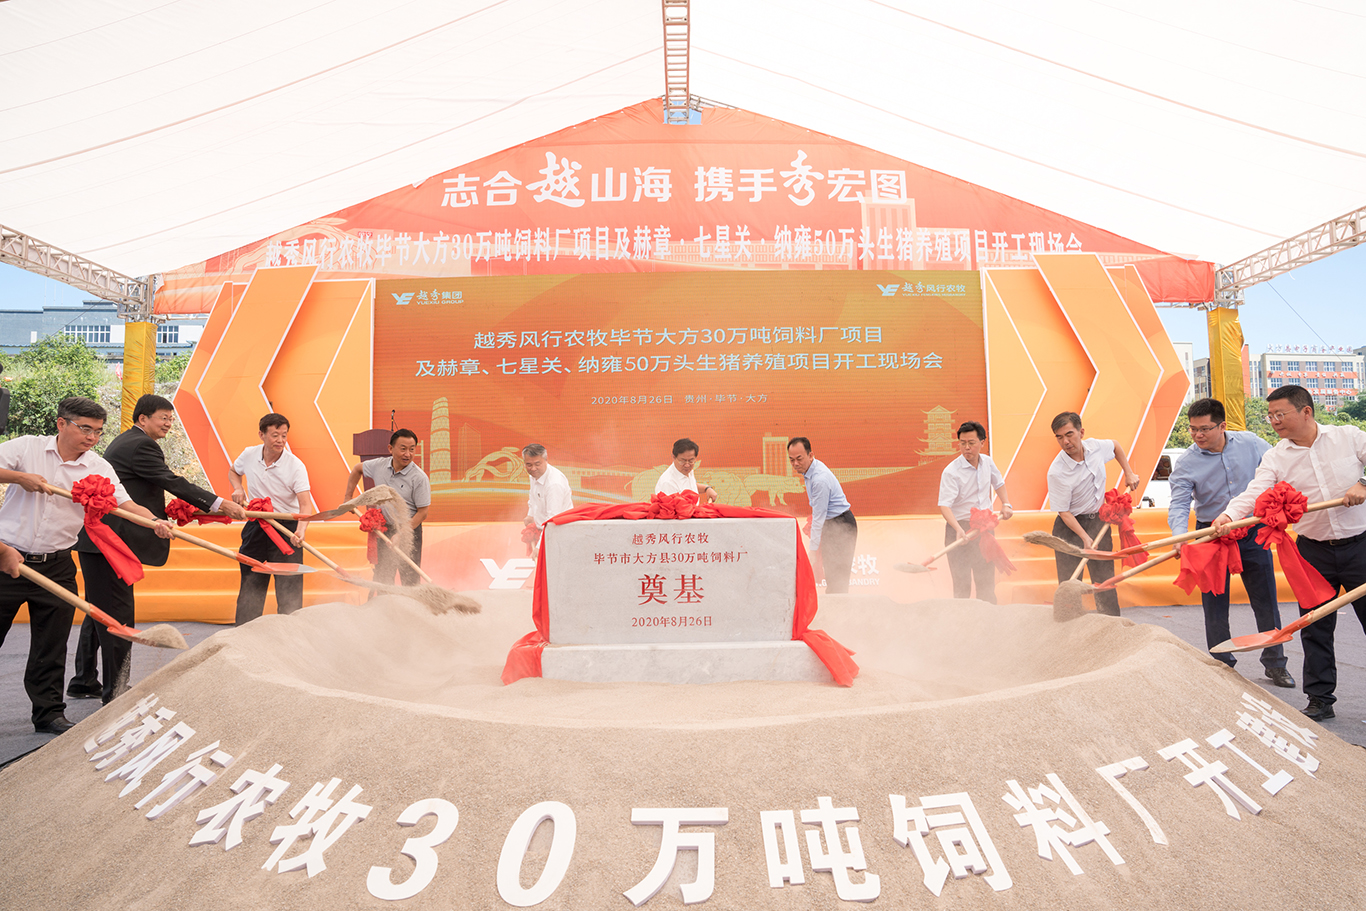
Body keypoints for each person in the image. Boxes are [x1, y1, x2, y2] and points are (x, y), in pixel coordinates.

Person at [0, 397, 172, 734]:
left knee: (51, 645)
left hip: (57, 564)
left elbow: (125, 504)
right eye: (85, 429)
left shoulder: (98, 466)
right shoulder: (27, 447)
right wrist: (19, 478)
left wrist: (154, 522)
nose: (92, 438)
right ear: (62, 424)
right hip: (7, 559)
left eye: (98, 432)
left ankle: (49, 713)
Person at [69, 395, 247, 704]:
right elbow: (171, 481)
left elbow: (144, 489)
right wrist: (219, 504)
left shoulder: (128, 441)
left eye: (170, 419)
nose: (168, 424)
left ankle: (84, 680)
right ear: (143, 418)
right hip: (112, 541)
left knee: (100, 610)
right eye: (163, 417)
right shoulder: (141, 445)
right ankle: (117, 690)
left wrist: (181, 510)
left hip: (103, 541)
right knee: (118, 613)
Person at [1212, 385, 1366, 720]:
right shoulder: (1276, 456)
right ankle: (1320, 699)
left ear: (1306, 411)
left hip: (1361, 547)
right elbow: (1255, 492)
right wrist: (1228, 516)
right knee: (1314, 626)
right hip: (1313, 553)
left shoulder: (1349, 437)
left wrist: (1363, 483)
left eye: (1280, 414)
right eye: (1270, 415)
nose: (1274, 421)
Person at [1167, 398, 1292, 687]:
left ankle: (1275, 663)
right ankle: (1222, 664)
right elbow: (1179, 504)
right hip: (1210, 535)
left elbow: (1279, 469)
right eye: (1193, 429)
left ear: (1222, 426)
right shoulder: (1187, 462)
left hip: (1251, 529)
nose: (1198, 435)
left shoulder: (1252, 443)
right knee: (1214, 603)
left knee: (1265, 600)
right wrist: (1178, 537)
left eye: (1204, 429)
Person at [1045, 411, 1140, 616]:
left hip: (1098, 522)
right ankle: (1069, 626)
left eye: (1069, 434)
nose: (1065, 442)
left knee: (1105, 581)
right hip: (1069, 529)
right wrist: (1085, 538)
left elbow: (1115, 446)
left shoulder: (1095, 447)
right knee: (1070, 585)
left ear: (1081, 432)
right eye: (1059, 437)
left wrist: (1129, 472)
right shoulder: (1057, 472)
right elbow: (1064, 512)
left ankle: (1110, 625)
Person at [228, 413, 317, 625]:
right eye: (275, 435)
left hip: (286, 529)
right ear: (262, 434)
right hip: (256, 525)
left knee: (289, 587)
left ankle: (290, 632)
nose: (280, 440)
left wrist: (301, 530)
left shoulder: (295, 465)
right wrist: (238, 488)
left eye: (284, 435)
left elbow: (305, 504)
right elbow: (233, 471)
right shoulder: (249, 454)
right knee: (251, 581)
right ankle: (245, 632)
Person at [937, 421, 1013, 603]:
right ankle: (963, 620)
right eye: (962, 443)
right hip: (959, 529)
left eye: (971, 443)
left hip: (984, 529)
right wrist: (958, 529)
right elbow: (944, 506)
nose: (966, 448)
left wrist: (1006, 504)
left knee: (986, 581)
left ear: (982, 442)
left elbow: (999, 483)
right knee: (962, 583)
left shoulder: (987, 462)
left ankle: (988, 618)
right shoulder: (951, 472)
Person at [343, 429, 430, 586]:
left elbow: (423, 513)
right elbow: (357, 469)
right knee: (383, 577)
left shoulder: (419, 477)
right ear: (390, 448)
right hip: (384, 529)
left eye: (412, 449)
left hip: (409, 530)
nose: (408, 454)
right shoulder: (379, 466)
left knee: (410, 579)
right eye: (403, 449)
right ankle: (384, 601)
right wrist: (348, 498)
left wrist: (402, 534)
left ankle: (410, 602)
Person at [788, 436, 857, 594]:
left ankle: (839, 608)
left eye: (799, 458)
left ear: (810, 455)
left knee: (838, 579)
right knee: (832, 576)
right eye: (791, 460)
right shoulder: (810, 470)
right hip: (831, 524)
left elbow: (818, 519)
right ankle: (836, 606)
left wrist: (813, 551)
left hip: (841, 525)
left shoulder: (820, 480)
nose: (795, 464)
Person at [522, 443, 574, 529]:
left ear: (546, 460)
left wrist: (539, 533)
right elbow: (533, 498)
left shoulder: (554, 483)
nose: (533, 468)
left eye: (537, 464)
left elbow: (552, 519)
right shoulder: (534, 475)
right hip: (544, 528)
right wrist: (530, 515)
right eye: (529, 465)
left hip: (558, 530)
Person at [654, 438, 718, 503]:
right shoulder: (668, 483)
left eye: (691, 460)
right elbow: (672, 509)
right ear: (673, 457)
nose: (687, 465)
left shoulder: (687, 470)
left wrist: (707, 488)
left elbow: (691, 486)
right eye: (682, 461)